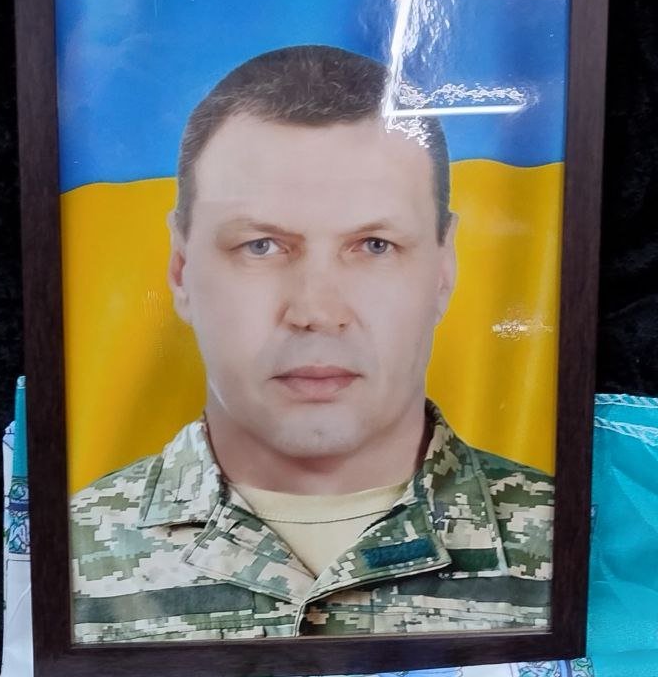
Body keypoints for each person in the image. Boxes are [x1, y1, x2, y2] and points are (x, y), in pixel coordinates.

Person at [69, 45, 554, 642]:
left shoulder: (579, 549)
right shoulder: (61, 559)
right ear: (180, 269)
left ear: (444, 269)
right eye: (261, 246)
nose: (317, 313)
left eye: (374, 246)